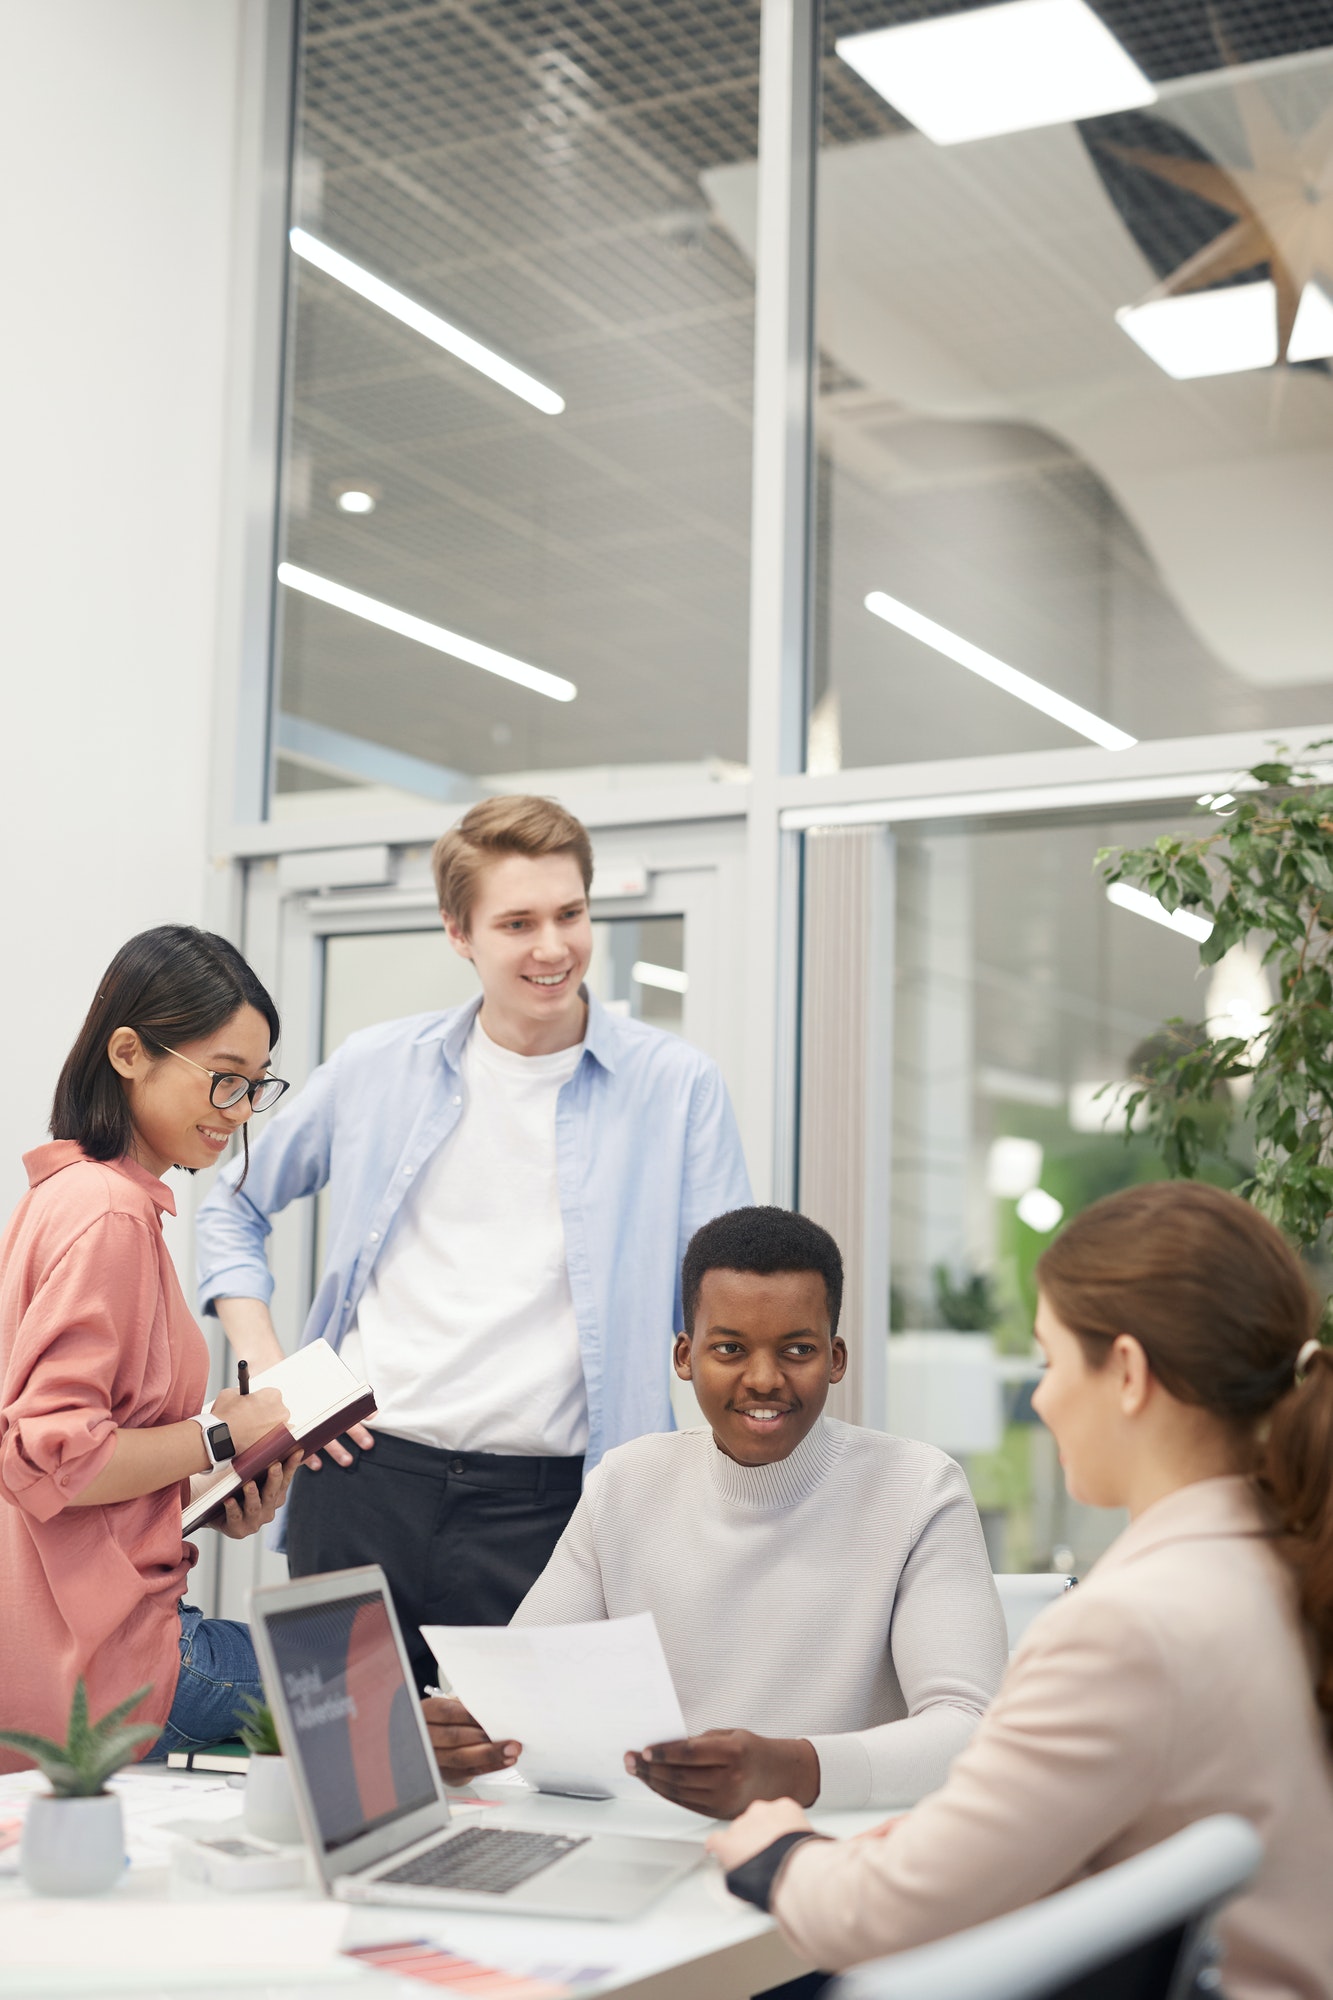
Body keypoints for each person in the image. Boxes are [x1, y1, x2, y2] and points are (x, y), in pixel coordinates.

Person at [707, 1182, 1333, 2000]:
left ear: (1128, 1373)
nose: (1039, 1397)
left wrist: (775, 1847)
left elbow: (869, 1914)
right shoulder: (1281, 1562)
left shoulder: (1126, 1629)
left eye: (1048, 1360)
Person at [196, 795, 751, 1690]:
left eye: (570, 914)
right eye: (517, 922)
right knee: (354, 1779)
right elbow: (231, 1204)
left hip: (555, 1509)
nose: (552, 947)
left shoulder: (674, 1086)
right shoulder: (379, 1066)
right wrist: (271, 1368)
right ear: (459, 934)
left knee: (541, 1771)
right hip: (363, 1479)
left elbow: (729, 1294)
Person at [426, 1206, 1008, 1815]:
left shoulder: (919, 1489)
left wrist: (794, 1769)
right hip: (650, 1843)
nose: (763, 1379)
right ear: (685, 1356)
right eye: (729, 1348)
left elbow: (972, 1729)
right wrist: (456, 1737)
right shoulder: (626, 1483)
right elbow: (512, 1688)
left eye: (797, 1350)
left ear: (836, 1359)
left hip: (834, 1850)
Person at [0, 927, 304, 1771]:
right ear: (129, 1052)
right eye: (223, 1080)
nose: (239, 1111)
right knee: (364, 1674)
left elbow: (83, 1458)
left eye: (255, 1087)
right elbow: (52, 1460)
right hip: (112, 1667)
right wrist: (219, 1434)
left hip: (61, 1650)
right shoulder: (108, 1214)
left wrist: (212, 1484)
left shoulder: (65, 1195)